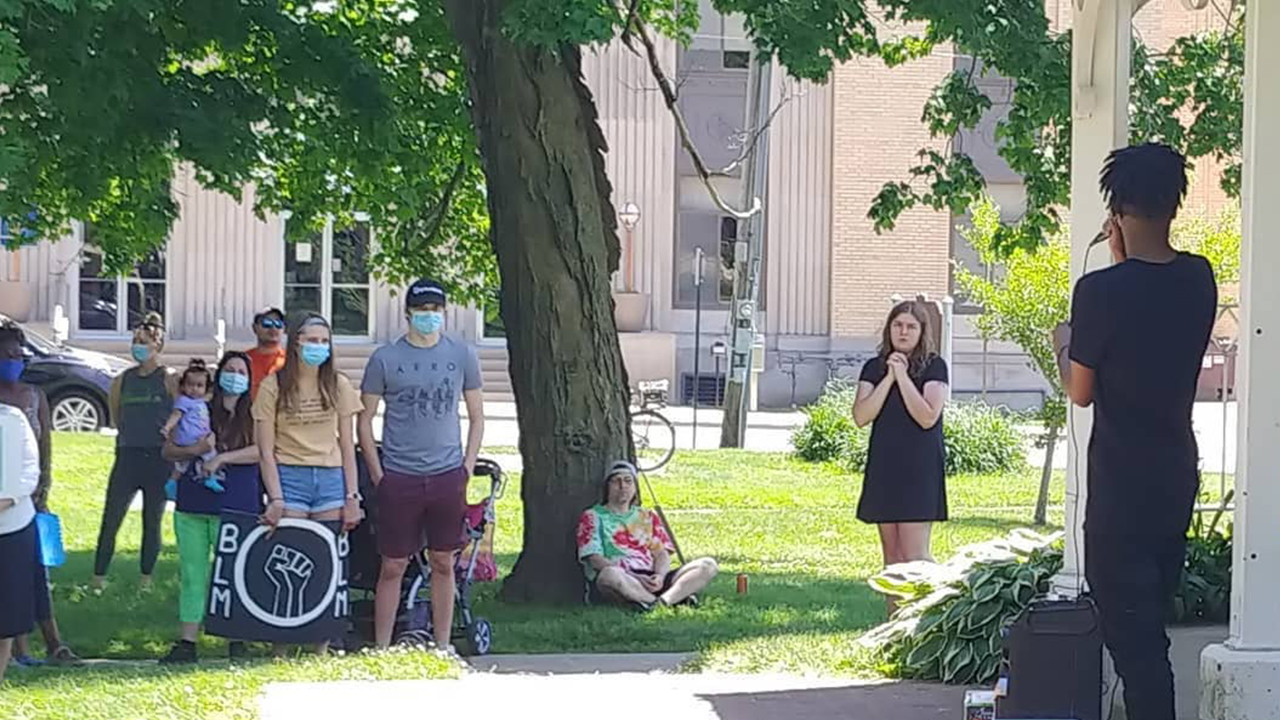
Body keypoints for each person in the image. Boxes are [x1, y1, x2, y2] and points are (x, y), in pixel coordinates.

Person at [1053, 143, 1216, 720]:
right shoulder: (1199, 278)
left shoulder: (1096, 293)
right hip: (1174, 478)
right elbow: (1149, 304)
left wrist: (1063, 341)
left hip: (1120, 489)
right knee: (1149, 631)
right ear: (1174, 204)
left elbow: (1080, 389)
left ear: (1116, 210)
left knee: (1137, 648)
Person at [358, 279, 485, 651]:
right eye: (422, 309)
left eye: (435, 310)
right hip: (399, 475)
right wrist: (379, 473)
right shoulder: (385, 359)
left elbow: (477, 415)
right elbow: (364, 419)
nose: (429, 317)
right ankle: (382, 646)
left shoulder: (461, 355)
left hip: (447, 474)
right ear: (408, 313)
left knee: (444, 562)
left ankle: (443, 644)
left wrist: (466, 467)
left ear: (443, 313)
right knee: (393, 565)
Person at [254, 312, 362, 654]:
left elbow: (348, 444)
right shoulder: (273, 385)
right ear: (295, 342)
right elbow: (265, 449)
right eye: (311, 340)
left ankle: (321, 645)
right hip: (289, 476)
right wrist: (275, 497)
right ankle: (281, 646)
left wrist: (352, 496)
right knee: (288, 555)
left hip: (330, 477)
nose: (318, 347)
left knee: (323, 561)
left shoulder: (339, 384)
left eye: (323, 341)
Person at [160, 352, 263, 664]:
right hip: (193, 503)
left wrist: (221, 458)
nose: (235, 376)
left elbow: (262, 451)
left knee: (232, 573)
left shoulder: (256, 413)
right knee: (193, 573)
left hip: (236, 505)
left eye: (241, 371)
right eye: (229, 370)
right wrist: (196, 450)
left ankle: (236, 638)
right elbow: (168, 449)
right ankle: (188, 641)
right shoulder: (199, 408)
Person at [852, 300, 950, 605]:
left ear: (922, 332)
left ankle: (933, 614)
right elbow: (861, 415)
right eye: (898, 325)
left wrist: (904, 378)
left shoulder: (934, 366)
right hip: (885, 465)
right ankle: (894, 627)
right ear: (889, 329)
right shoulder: (874, 367)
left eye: (911, 326)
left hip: (919, 468)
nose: (903, 332)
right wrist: (890, 377)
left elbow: (927, 416)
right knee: (892, 557)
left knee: (914, 556)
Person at [0, 324, 79, 668]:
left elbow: (43, 449)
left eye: (19, 356)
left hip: (28, 498)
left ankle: (53, 643)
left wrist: (42, 490)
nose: (15, 361)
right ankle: (20, 649)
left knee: (35, 573)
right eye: (8, 356)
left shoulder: (34, 396)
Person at [93, 312, 178, 591]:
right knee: (111, 517)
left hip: (157, 458)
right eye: (135, 341)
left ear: (158, 345)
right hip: (127, 455)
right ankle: (98, 578)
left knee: (152, 520)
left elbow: (180, 414)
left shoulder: (168, 378)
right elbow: (117, 414)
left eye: (143, 341)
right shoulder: (122, 380)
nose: (138, 346)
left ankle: (146, 578)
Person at [576, 461, 718, 610]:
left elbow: (661, 553)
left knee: (708, 565)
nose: (622, 486)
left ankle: (662, 602)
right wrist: (636, 577)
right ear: (607, 487)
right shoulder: (593, 516)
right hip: (623, 577)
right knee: (609, 575)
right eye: (616, 481)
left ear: (635, 488)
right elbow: (594, 559)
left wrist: (660, 577)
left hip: (652, 578)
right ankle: (667, 601)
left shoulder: (647, 516)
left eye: (628, 481)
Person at [161, 359, 223, 497]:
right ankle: (210, 478)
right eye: (190, 385)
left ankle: (172, 483)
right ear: (183, 386)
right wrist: (167, 427)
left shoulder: (201, 402)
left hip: (196, 436)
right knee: (210, 457)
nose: (194, 388)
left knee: (181, 465)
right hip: (191, 437)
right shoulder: (184, 401)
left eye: (199, 385)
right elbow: (176, 414)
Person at [246, 307, 287, 400]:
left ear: (283, 329)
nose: (273, 328)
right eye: (267, 324)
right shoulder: (244, 360)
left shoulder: (291, 360)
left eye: (278, 324)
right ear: (254, 328)